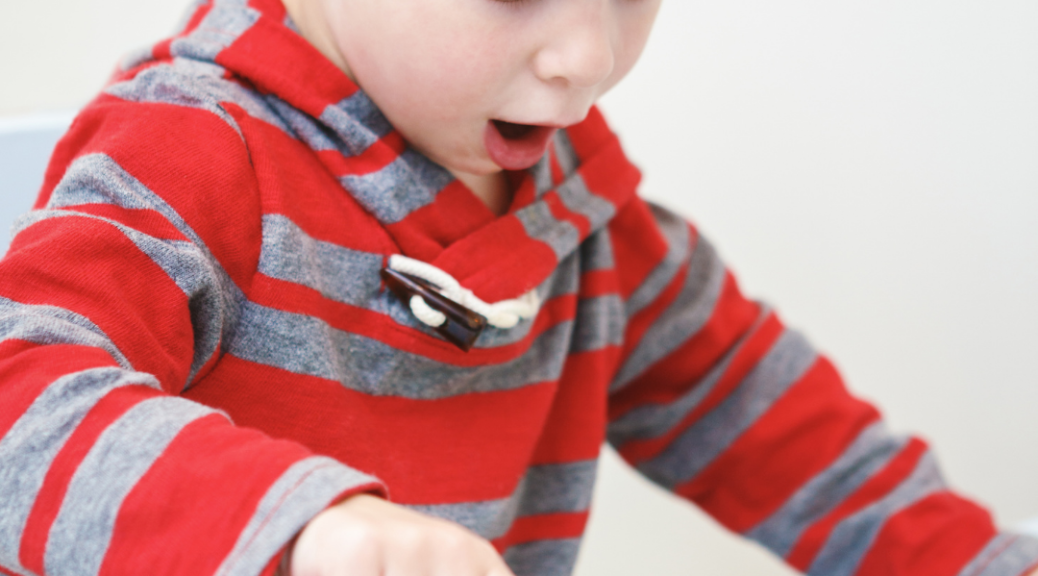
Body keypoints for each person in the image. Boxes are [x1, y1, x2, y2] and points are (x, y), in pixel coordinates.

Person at [0, 0, 1034, 575]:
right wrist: (306, 529)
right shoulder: (187, 150)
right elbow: (20, 407)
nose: (585, 56)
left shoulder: (580, 215)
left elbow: (774, 428)